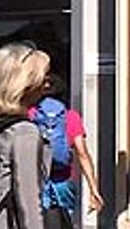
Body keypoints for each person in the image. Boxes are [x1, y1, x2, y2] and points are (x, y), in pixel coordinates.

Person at [0, 43, 51, 229]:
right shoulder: (24, 132)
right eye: (42, 78)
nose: (46, 84)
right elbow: (28, 202)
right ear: (25, 84)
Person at [30, 74, 105, 228]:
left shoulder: (30, 115)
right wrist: (93, 188)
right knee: (64, 222)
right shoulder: (71, 117)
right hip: (63, 183)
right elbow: (82, 154)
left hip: (35, 182)